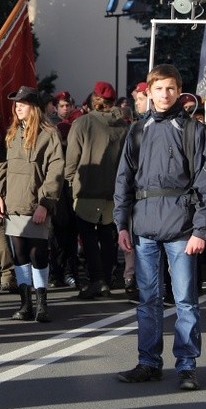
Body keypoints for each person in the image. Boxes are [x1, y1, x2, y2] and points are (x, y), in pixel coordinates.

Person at [113, 64, 206, 391]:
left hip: (181, 227)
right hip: (143, 226)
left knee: (185, 300)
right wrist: (121, 223)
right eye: (159, 88)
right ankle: (148, 362)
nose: (165, 94)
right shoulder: (138, 129)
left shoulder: (192, 130)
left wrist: (201, 229)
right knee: (148, 299)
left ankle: (186, 366)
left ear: (179, 91)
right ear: (150, 92)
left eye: (171, 88)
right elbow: (124, 178)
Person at [0, 86, 64, 323]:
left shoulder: (48, 134)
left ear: (34, 107)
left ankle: (42, 303)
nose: (17, 107)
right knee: (20, 255)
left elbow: (55, 170)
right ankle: (25, 304)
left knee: (38, 254)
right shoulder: (13, 133)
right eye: (16, 104)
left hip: (35, 205)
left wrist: (45, 203)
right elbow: (4, 167)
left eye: (22, 103)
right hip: (13, 204)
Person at [65, 81, 128, 299]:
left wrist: (70, 180)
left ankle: (97, 280)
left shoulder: (82, 123)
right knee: (107, 235)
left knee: (88, 236)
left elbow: (72, 157)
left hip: (86, 189)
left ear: (94, 99)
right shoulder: (123, 126)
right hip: (114, 190)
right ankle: (106, 278)